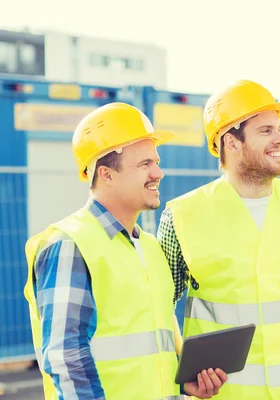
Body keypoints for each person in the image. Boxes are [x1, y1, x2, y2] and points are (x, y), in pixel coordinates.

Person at [23, 102, 226, 400]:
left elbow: (151, 349)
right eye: (144, 164)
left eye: (155, 161)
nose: (159, 172)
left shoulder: (150, 247)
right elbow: (66, 357)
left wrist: (183, 383)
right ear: (106, 174)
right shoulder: (69, 244)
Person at [157, 80, 280, 400]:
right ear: (232, 142)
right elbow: (157, 309)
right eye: (266, 130)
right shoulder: (183, 215)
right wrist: (182, 371)